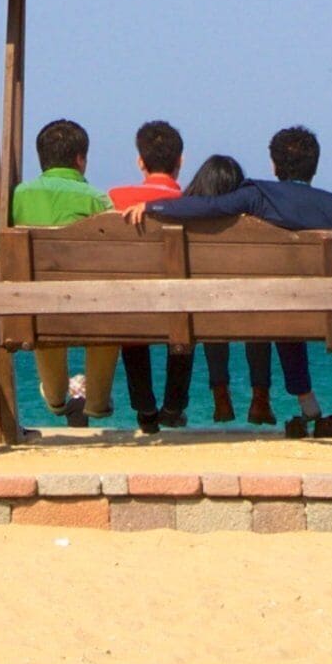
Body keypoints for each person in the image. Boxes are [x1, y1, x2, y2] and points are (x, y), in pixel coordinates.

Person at [123, 125, 332, 437]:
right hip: (320, 313)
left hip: (256, 308)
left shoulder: (259, 195)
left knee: (280, 304)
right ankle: (306, 405)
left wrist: (153, 206)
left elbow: (208, 207)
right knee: (288, 306)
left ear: (274, 165)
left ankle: (298, 404)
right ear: (315, 165)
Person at [6, 118, 119, 427]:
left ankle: (56, 396)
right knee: (108, 314)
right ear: (80, 159)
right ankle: (97, 401)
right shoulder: (97, 199)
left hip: (33, 307)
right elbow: (116, 256)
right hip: (89, 307)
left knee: (45, 313)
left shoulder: (16, 197)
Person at [104, 121, 190, 433]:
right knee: (184, 314)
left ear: (140, 161)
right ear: (180, 161)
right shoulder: (193, 203)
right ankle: (174, 406)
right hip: (180, 309)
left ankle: (145, 408)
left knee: (131, 309)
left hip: (132, 308)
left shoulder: (115, 198)